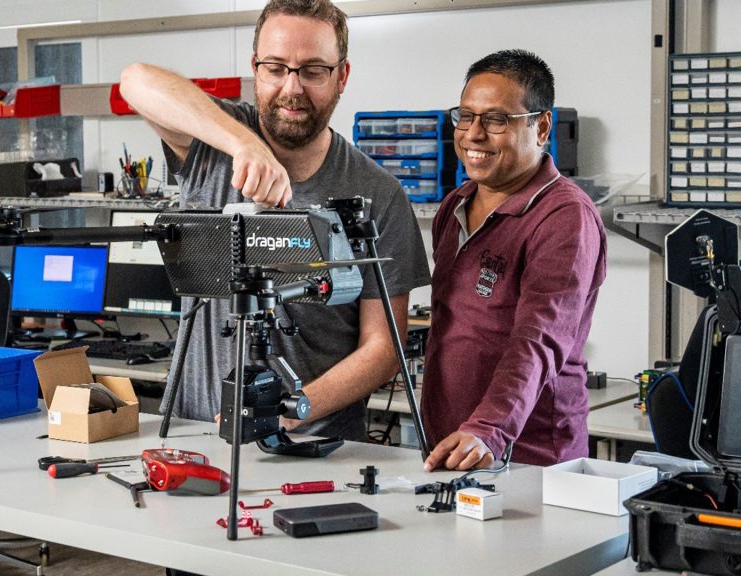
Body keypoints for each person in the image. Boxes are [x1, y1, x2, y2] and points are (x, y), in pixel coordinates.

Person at [120, 0, 430, 441]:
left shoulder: (378, 194)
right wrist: (244, 146)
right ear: (255, 69)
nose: (292, 87)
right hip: (196, 435)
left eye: (313, 70)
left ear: (342, 76)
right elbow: (135, 80)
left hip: (315, 443)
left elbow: (383, 348)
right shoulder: (211, 143)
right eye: (276, 68)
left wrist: (289, 411)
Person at [421, 49, 607, 470]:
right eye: (465, 116)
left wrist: (489, 429)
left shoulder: (564, 216)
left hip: (529, 455)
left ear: (541, 127)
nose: (473, 134)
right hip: (453, 445)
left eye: (495, 120)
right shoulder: (455, 205)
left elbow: (539, 339)